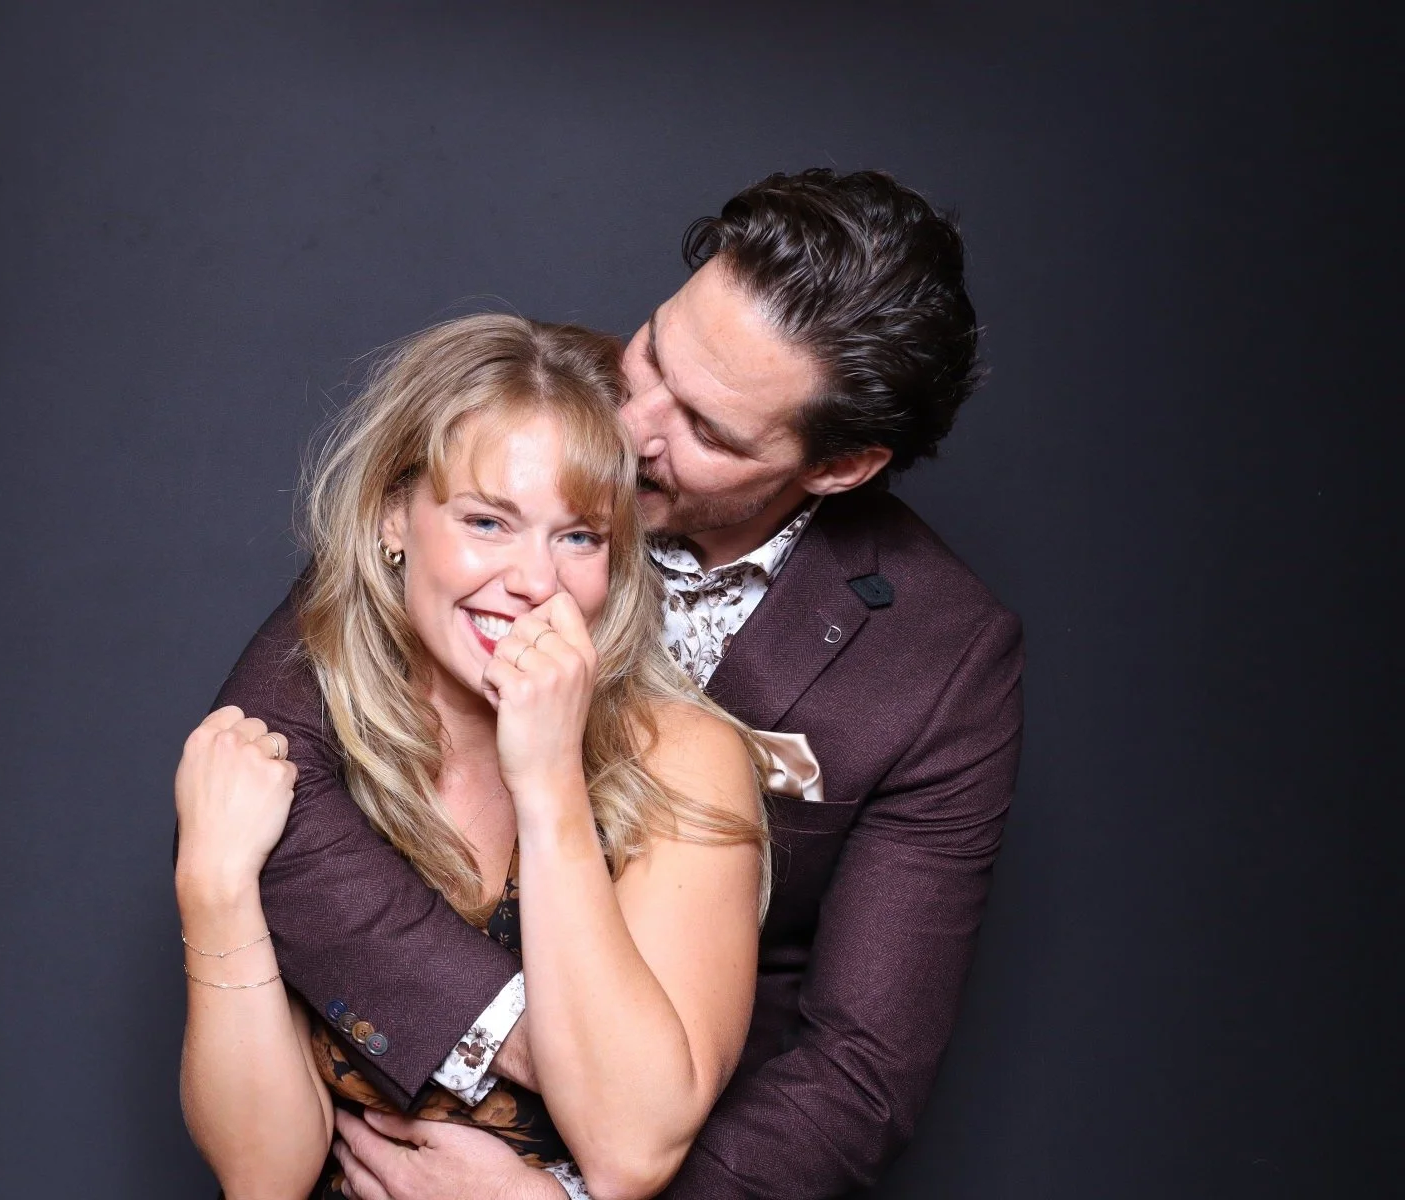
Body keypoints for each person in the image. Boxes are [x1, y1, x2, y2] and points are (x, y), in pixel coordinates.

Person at [204, 168, 1025, 1199]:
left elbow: (862, 1071)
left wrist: (575, 1198)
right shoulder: (536, 410)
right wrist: (536, 1045)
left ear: (842, 466)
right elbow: (283, 752)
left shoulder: (943, 659)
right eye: (655, 354)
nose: (634, 428)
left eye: (710, 431)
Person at [174, 315, 777, 1199]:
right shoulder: (326, 750)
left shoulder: (683, 758)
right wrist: (216, 893)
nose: (536, 580)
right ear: (393, 517)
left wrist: (549, 779)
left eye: (579, 537)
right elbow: (264, 1174)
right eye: (488, 522)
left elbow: (634, 1144)